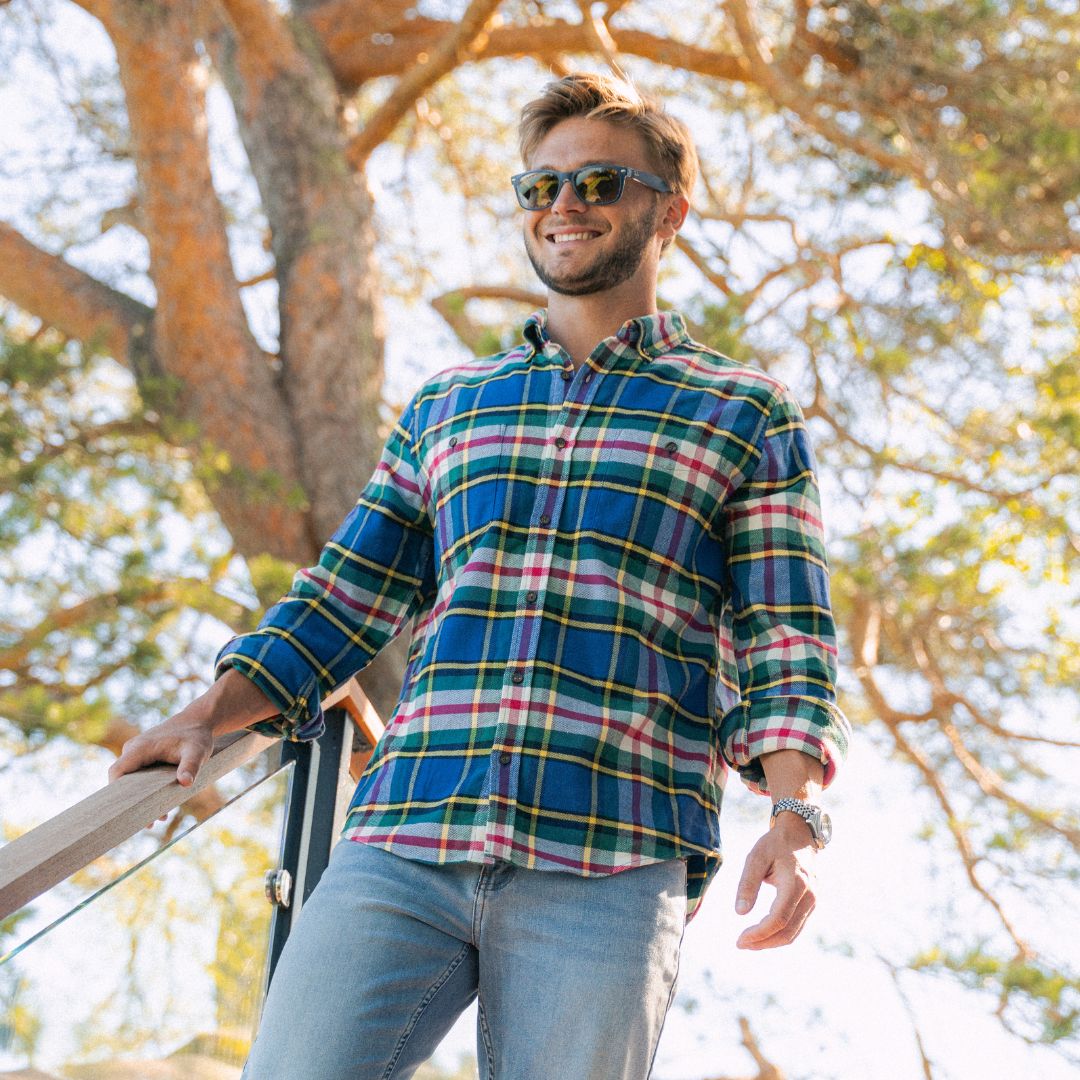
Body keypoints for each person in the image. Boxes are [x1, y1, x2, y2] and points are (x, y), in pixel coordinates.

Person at [109, 72, 851, 1080]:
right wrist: (207, 713)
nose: (563, 207)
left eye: (597, 182)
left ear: (668, 211)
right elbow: (344, 597)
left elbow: (783, 638)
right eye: (539, 187)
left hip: (612, 854)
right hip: (406, 832)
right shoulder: (450, 405)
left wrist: (796, 817)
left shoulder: (742, 412)